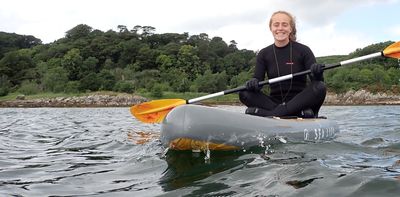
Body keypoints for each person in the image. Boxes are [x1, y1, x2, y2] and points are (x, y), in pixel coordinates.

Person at [239, 11, 326, 118]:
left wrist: (317, 73)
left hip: (298, 101)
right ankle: (292, 113)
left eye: (284, 25)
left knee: (320, 87)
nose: (280, 28)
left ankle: (271, 114)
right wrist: (253, 83)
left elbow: (317, 82)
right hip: (273, 102)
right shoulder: (263, 53)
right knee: (244, 92)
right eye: (276, 25)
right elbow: (258, 81)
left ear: (290, 29)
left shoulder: (304, 50)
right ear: (271, 28)